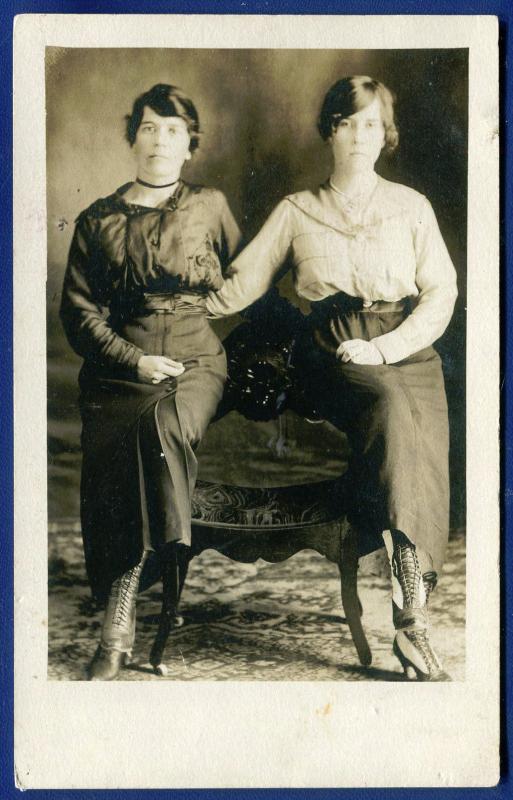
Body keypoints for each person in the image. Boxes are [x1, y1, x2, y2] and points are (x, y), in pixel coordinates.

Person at [206, 76, 458, 681]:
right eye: (347, 122)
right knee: (391, 409)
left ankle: (411, 600)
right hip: (334, 349)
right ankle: (411, 622)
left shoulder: (411, 207)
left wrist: (391, 344)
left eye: (371, 124)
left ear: (385, 135)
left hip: (407, 348)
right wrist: (173, 294)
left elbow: (441, 292)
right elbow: (241, 284)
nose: (358, 136)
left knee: (415, 417)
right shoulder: (297, 211)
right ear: (330, 130)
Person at [60, 83, 241, 680]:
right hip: (120, 367)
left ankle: (127, 592)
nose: (160, 140)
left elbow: (248, 280)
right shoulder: (97, 220)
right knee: (122, 441)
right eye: (148, 127)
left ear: (190, 144)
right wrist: (133, 361)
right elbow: (79, 313)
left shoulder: (210, 204)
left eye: (172, 129)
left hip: (196, 361)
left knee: (163, 424)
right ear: (131, 136)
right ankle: (130, 589)